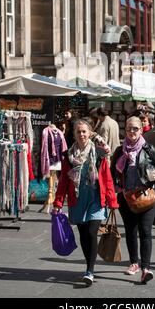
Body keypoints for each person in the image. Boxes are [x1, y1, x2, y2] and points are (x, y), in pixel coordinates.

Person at [53, 119, 119, 286]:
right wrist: (58, 202)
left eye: (84, 131)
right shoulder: (68, 156)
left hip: (96, 199)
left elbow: (107, 178)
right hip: (77, 200)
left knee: (91, 232)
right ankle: (88, 265)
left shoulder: (99, 153)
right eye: (78, 131)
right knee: (83, 235)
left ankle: (90, 270)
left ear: (90, 133)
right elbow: (63, 182)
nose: (81, 134)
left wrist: (112, 201)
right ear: (74, 134)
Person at [111, 116, 155, 284]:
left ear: (141, 130)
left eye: (135, 128)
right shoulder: (120, 151)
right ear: (125, 130)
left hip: (146, 197)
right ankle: (134, 263)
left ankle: (146, 267)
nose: (132, 132)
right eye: (129, 129)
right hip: (126, 197)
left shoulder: (148, 149)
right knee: (131, 231)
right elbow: (113, 173)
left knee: (145, 231)